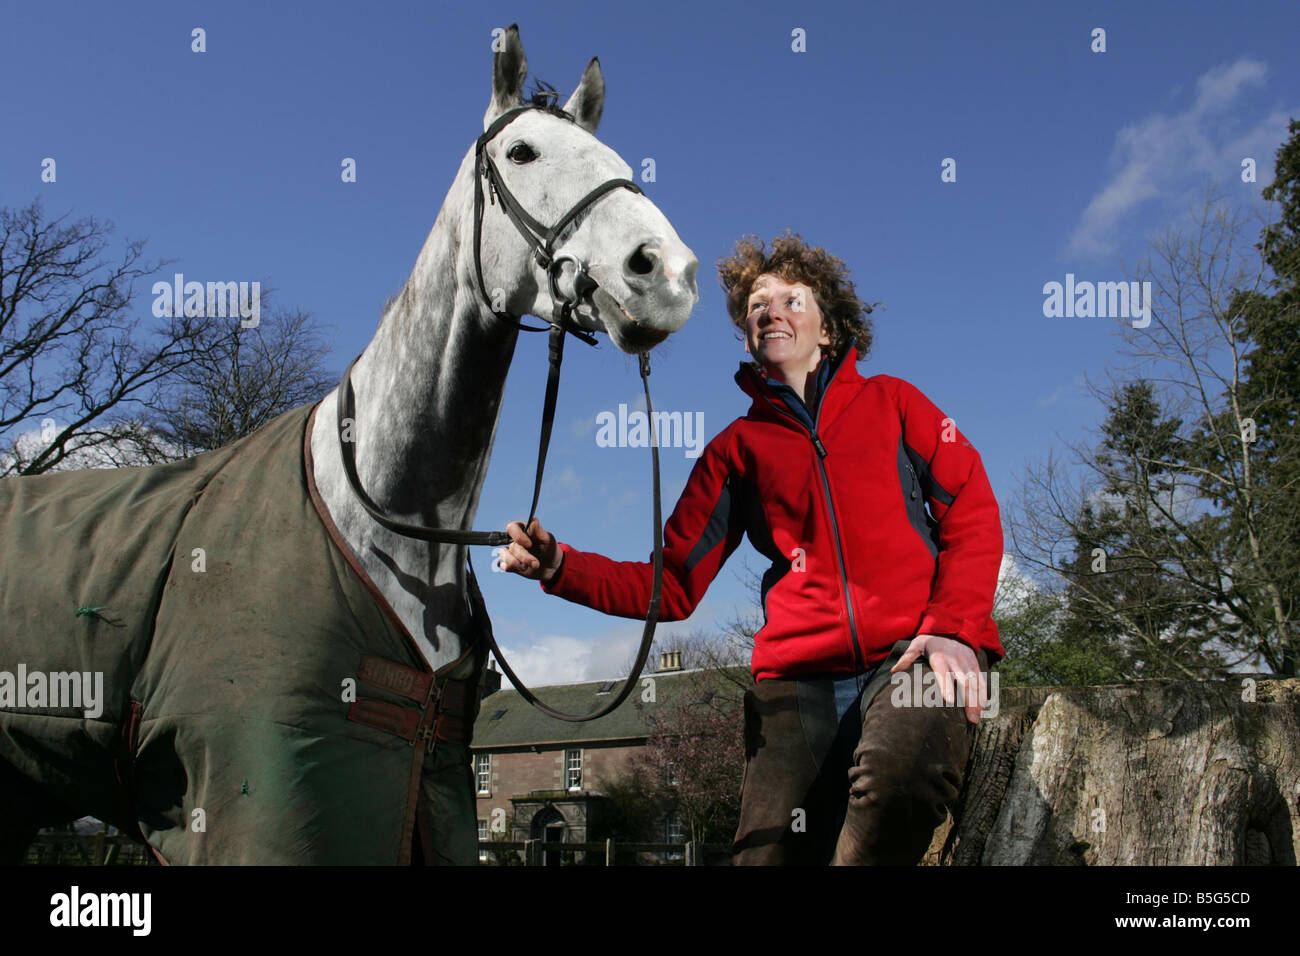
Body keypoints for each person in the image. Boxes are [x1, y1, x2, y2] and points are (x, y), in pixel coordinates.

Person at [499, 232, 1004, 865]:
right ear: (747, 337)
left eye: (793, 299)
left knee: (897, 783)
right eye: (757, 305)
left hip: (914, 656)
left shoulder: (896, 403)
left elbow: (973, 507)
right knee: (762, 857)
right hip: (796, 685)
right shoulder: (734, 451)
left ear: (829, 327)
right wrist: (560, 566)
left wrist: (955, 627)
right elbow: (673, 585)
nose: (772, 310)